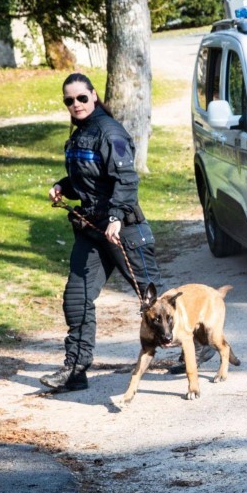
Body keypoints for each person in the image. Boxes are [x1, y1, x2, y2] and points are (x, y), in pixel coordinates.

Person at [41, 73, 162, 393]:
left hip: (122, 228)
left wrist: (116, 217)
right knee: (77, 298)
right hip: (92, 230)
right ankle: (75, 370)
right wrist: (62, 186)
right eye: (69, 100)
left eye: (81, 98)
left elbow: (126, 179)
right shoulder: (81, 133)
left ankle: (198, 344)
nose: (76, 104)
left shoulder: (110, 132)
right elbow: (86, 177)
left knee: (155, 300)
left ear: (93, 96)